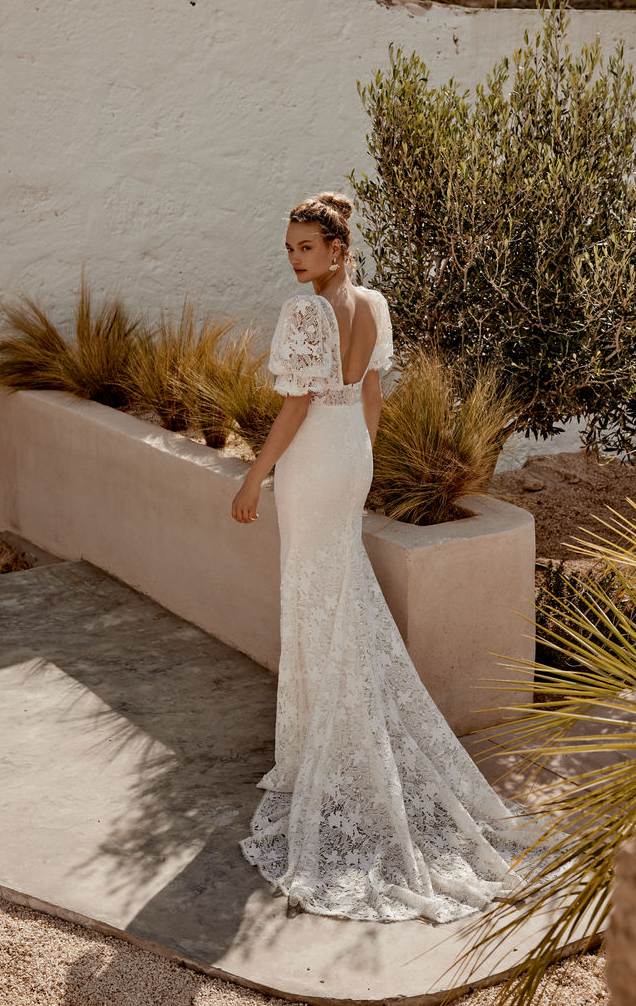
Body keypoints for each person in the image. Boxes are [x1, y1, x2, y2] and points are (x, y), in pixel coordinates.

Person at [231, 192, 541, 924]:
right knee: (335, 587)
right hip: (350, 456)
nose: (295, 259)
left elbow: (297, 405)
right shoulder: (373, 303)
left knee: (314, 589)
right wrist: (361, 461)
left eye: (305, 247)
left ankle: (326, 751)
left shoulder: (304, 313)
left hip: (312, 459)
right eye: (289, 249)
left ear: (336, 249)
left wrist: (255, 475)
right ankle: (330, 741)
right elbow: (369, 393)